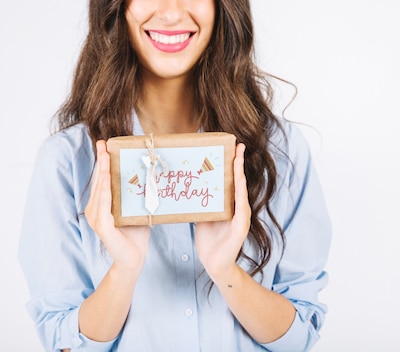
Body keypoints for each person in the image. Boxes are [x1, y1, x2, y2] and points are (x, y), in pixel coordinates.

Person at [17, 0, 331, 351]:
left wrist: (227, 272)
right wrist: (123, 269)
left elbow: (299, 337)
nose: (171, 12)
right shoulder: (66, 162)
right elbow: (64, 343)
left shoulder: (281, 150)